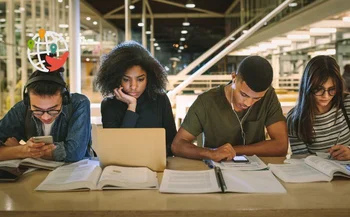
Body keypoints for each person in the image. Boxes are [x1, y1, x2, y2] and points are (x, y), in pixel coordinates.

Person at [171, 56, 288, 162]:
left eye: (257, 98)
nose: (248, 103)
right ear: (234, 78)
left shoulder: (269, 96)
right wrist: (211, 153)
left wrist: (233, 151)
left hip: (256, 170)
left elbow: (281, 146)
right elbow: (177, 145)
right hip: (217, 169)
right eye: (244, 94)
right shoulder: (206, 101)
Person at [95, 41, 177, 156]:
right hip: (122, 167)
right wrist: (131, 106)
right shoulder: (109, 105)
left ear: (149, 78)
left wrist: (150, 154)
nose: (133, 86)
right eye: (126, 79)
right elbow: (117, 148)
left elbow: (172, 143)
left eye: (140, 79)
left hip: (155, 164)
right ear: (117, 78)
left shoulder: (160, 99)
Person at [0, 68, 92, 162]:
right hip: (34, 173)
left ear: (64, 99)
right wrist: (23, 150)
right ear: (28, 101)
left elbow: (75, 153)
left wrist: (18, 149)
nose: (46, 117)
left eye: (53, 110)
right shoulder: (22, 108)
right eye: (37, 110)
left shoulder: (79, 103)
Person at [287, 55, 350, 161]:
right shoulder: (295, 119)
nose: (326, 96)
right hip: (318, 174)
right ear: (308, 86)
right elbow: (302, 160)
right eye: (318, 89)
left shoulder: (347, 103)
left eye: (332, 89)